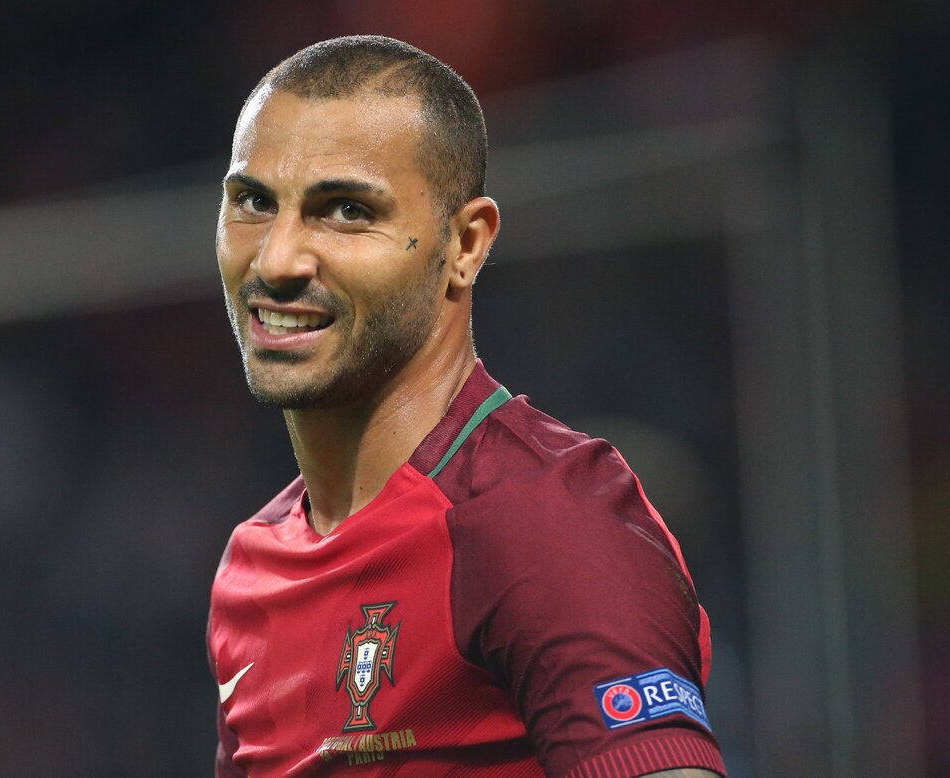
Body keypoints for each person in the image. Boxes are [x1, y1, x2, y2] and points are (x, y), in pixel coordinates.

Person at [207, 35, 725, 778]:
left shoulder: (542, 524)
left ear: (466, 243)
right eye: (254, 202)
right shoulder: (251, 571)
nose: (277, 259)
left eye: (347, 210)